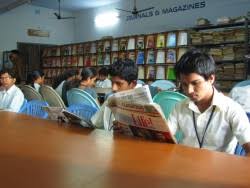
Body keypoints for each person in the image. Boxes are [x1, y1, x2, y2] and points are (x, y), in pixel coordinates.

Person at [167, 49, 250, 155]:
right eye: (184, 84)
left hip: (218, 169)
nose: (189, 91)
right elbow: (165, 137)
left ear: (211, 78)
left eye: (195, 83)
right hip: (185, 165)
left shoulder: (232, 109)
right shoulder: (180, 106)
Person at [91, 58, 138, 130]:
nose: (113, 88)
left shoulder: (143, 104)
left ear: (133, 84)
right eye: (112, 82)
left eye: (119, 84)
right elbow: (95, 123)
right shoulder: (110, 100)